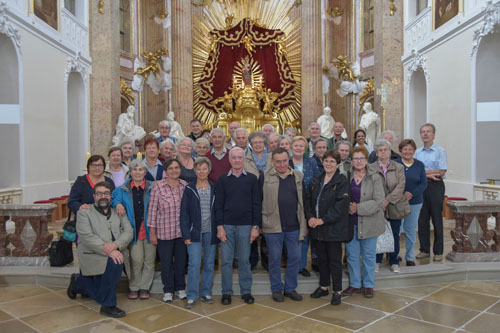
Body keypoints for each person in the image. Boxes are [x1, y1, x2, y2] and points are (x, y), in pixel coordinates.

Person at [67, 181, 133, 318]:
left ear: (110, 196)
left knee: (99, 289)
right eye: (99, 193)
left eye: (106, 193)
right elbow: (87, 237)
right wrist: (110, 250)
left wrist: (115, 246)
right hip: (94, 253)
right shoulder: (84, 213)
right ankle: (108, 305)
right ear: (94, 196)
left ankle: (78, 282)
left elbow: (128, 231)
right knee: (115, 263)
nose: (103, 196)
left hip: (115, 251)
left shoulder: (118, 211)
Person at [260, 148, 306, 302]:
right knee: (274, 258)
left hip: (294, 226)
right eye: (278, 161)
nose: (281, 164)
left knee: (295, 257)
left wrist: (304, 225)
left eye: (284, 161)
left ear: (289, 159)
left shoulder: (298, 176)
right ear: (273, 162)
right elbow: (258, 201)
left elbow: (303, 203)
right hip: (273, 226)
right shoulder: (264, 177)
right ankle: (277, 289)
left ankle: (290, 288)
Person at [215, 147, 261, 305]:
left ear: (244, 159)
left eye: (239, 157)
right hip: (227, 225)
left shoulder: (252, 179)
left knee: (244, 260)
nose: (236, 160)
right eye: (233, 157)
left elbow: (256, 204)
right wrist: (219, 226)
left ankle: (246, 291)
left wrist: (255, 226)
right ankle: (226, 292)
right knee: (227, 260)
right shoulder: (222, 180)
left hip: (246, 225)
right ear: (229, 159)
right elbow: (218, 205)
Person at [306, 150, 351, 306]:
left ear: (338, 163)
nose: (329, 164)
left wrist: (322, 220)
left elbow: (340, 207)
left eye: (332, 161)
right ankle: (323, 286)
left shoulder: (342, 181)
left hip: (333, 229)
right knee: (322, 260)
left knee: (334, 261)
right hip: (318, 229)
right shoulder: (317, 179)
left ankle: (337, 291)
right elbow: (309, 201)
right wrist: (310, 217)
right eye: (326, 161)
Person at [343, 146, 385, 299]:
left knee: (368, 255)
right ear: (351, 160)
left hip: (369, 222)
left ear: (367, 160)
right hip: (350, 222)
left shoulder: (375, 176)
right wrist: (347, 207)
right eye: (355, 158)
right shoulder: (346, 174)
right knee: (352, 255)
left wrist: (358, 208)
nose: (358, 161)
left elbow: (379, 200)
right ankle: (354, 284)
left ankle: (368, 285)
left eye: (361, 158)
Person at [111, 160, 155, 300]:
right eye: (135, 169)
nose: (137, 172)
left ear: (145, 172)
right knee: (136, 260)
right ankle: (134, 286)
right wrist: (117, 203)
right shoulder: (123, 188)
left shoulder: (152, 187)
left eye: (141, 169)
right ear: (130, 171)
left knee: (149, 260)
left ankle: (144, 287)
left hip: (149, 228)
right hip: (133, 229)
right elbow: (113, 198)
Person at [148, 158, 188, 303]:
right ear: (165, 171)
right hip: (164, 232)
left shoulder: (185, 185)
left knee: (180, 262)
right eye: (171, 168)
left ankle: (180, 288)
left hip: (181, 232)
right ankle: (168, 290)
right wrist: (152, 233)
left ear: (180, 169)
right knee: (166, 263)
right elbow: (152, 211)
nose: (174, 171)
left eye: (176, 168)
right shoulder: (158, 187)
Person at [180, 157, 218, 309]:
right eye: (199, 169)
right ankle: (192, 295)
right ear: (195, 171)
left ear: (209, 170)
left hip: (210, 231)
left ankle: (206, 292)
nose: (202, 171)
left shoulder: (215, 188)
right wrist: (186, 234)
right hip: (194, 232)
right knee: (194, 264)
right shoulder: (189, 189)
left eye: (204, 168)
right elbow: (184, 214)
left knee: (209, 263)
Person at [371, 139, 406, 273]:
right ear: (376, 153)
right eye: (380, 150)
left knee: (395, 235)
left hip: (394, 205)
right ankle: (377, 261)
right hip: (377, 207)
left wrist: (387, 200)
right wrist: (380, 202)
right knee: (378, 234)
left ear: (390, 151)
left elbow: (400, 186)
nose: (383, 152)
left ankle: (394, 261)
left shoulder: (399, 167)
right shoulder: (371, 167)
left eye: (386, 150)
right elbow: (371, 186)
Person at [414, 123, 447, 261]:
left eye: (428, 131)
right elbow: (416, 171)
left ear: (433, 134)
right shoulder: (417, 152)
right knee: (422, 220)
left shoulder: (440, 151)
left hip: (436, 186)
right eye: (423, 132)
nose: (425, 134)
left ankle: (438, 251)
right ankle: (424, 250)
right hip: (422, 186)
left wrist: (424, 172)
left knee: (436, 219)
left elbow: (442, 171)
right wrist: (428, 173)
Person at [289, 136, 320, 277]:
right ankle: (291, 265)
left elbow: (317, 181)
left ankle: (301, 266)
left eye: (301, 146)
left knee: (305, 235)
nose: (299, 148)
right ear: (291, 147)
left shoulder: (311, 162)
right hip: (289, 203)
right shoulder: (286, 162)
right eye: (296, 145)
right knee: (290, 236)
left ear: (305, 148)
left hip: (307, 204)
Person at [397, 139, 427, 266]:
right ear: (401, 151)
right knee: (396, 230)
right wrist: (402, 194)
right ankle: (394, 255)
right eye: (405, 149)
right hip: (397, 202)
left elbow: (423, 183)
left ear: (414, 151)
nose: (407, 152)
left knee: (410, 230)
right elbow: (392, 182)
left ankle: (409, 257)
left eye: (410, 149)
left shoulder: (419, 165)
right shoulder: (395, 164)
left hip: (415, 202)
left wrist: (411, 193)